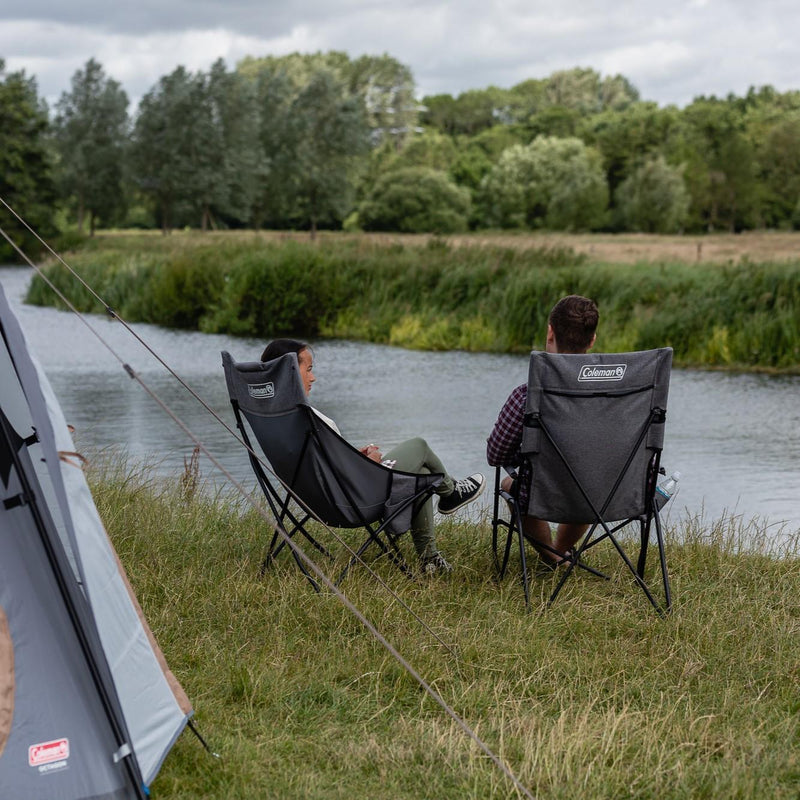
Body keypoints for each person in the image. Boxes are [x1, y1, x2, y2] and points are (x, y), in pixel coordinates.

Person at [260, 338, 486, 574]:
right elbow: (341, 474)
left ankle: (430, 560)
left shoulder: (273, 417)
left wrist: (352, 456)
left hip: (313, 501)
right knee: (418, 446)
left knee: (422, 473)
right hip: (354, 501)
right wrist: (370, 462)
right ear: (289, 371)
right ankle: (451, 493)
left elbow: (324, 465)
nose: (313, 377)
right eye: (308, 369)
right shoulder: (310, 417)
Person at [486, 295, 599, 572]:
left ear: (550, 333)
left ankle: (552, 555)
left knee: (510, 485)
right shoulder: (621, 396)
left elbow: (495, 455)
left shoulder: (527, 396)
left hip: (542, 493)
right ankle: (560, 551)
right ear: (592, 340)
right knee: (591, 478)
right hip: (607, 493)